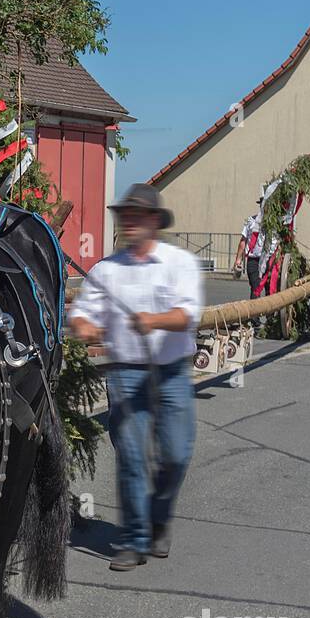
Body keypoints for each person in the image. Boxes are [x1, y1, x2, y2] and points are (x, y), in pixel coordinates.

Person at [69, 184, 204, 571]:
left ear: (154, 222)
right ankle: (134, 539)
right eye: (124, 214)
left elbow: (187, 315)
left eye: (136, 214)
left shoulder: (180, 264)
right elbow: (81, 316)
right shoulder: (105, 271)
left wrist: (154, 320)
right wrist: (85, 329)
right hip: (125, 375)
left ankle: (159, 518)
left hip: (172, 373)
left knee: (175, 455)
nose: (128, 220)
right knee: (130, 458)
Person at [233, 199, 266, 328]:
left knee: (269, 288)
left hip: (266, 259)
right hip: (253, 259)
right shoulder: (251, 221)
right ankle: (254, 317)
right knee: (255, 286)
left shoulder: (272, 224)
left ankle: (269, 317)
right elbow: (243, 240)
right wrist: (238, 259)